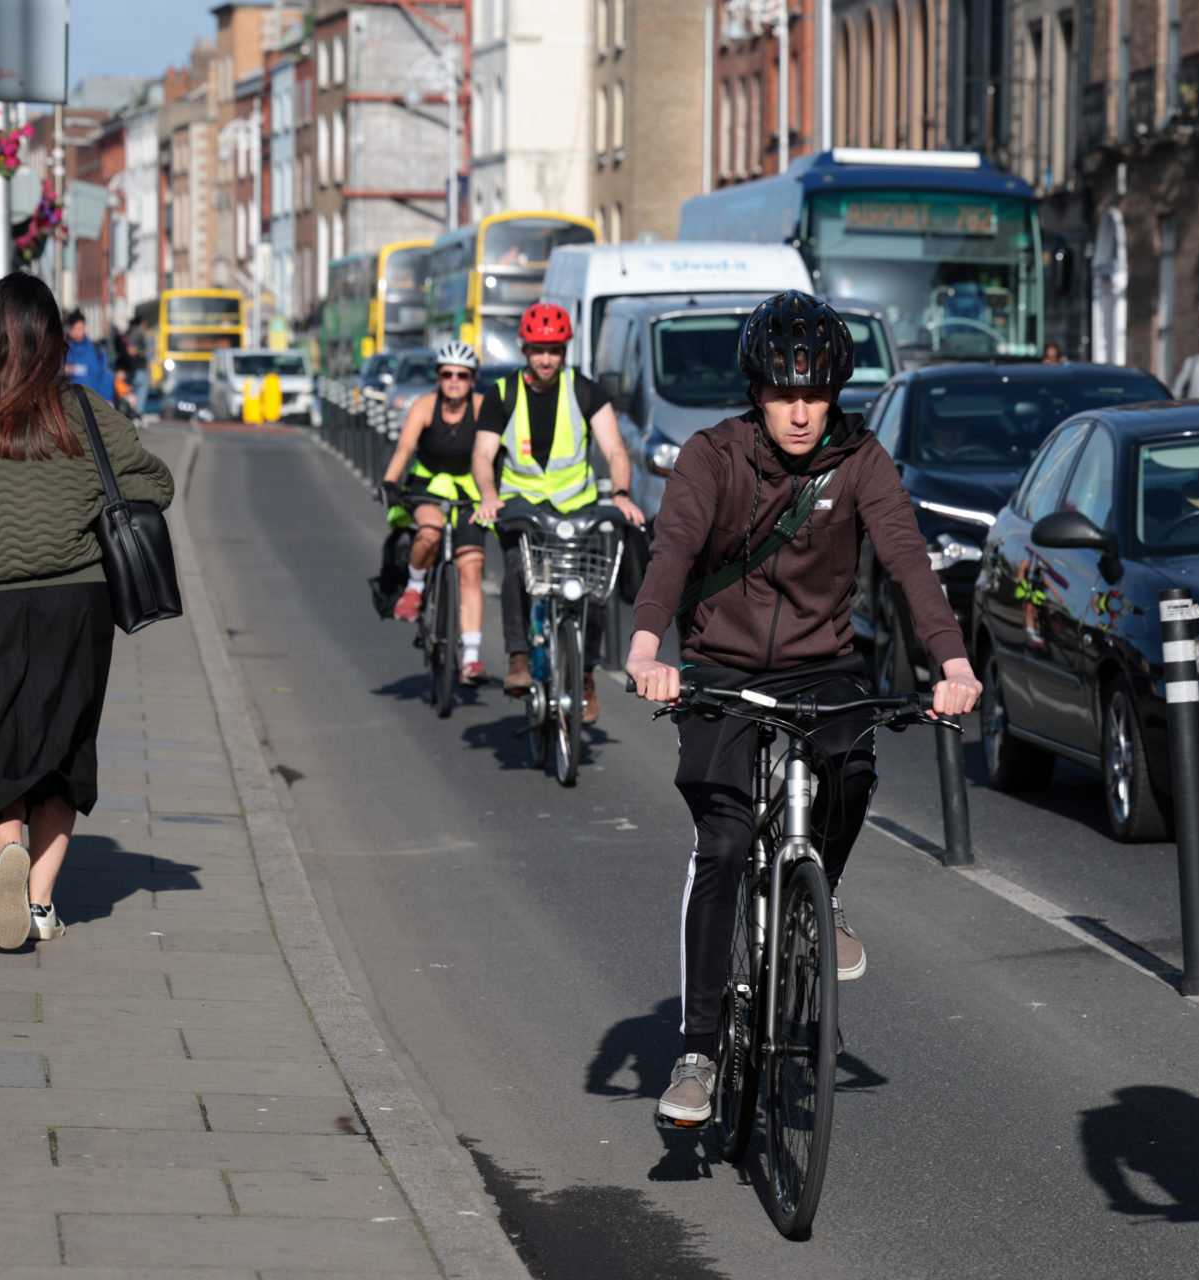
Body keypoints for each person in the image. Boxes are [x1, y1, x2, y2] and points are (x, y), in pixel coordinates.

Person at [626, 291, 982, 1125]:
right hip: (719, 666)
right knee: (720, 844)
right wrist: (648, 650)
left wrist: (953, 660)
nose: (799, 412)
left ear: (835, 394)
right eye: (784, 394)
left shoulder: (861, 459)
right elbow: (673, 550)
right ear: (757, 390)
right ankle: (699, 1053)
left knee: (853, 768)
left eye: (815, 395)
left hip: (823, 666)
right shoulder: (713, 456)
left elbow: (906, 559)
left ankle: (823, 887)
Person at [0, 273, 175, 950]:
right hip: (75, 603)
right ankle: (41, 904)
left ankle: (6, 849)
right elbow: (153, 484)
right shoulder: (81, 409)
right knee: (65, 749)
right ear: (52, 341)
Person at [475, 303, 644, 724]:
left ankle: (584, 676)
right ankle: (518, 657)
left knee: (593, 586)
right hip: (521, 506)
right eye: (537, 350)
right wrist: (488, 495)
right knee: (517, 569)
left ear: (565, 350)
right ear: (524, 349)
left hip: (577, 507)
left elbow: (615, 449)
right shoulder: (502, 394)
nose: (546, 358)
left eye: (554, 349)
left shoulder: (586, 391)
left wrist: (621, 493)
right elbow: (482, 454)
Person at [380, 340, 492, 684]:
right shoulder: (425, 406)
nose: (454, 381)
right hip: (427, 485)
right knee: (429, 533)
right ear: (438, 378)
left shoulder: (483, 407)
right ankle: (414, 586)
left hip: (470, 491)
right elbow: (405, 447)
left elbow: (498, 451)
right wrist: (389, 481)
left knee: (471, 570)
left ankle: (470, 659)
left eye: (462, 375)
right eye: (447, 374)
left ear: (472, 378)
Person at [63, 310, 115, 402]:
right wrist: (63, 370)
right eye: (77, 328)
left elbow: (105, 376)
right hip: (71, 402)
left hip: (94, 402)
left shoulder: (97, 350)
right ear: (70, 330)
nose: (80, 332)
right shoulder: (64, 350)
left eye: (82, 328)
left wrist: (106, 401)